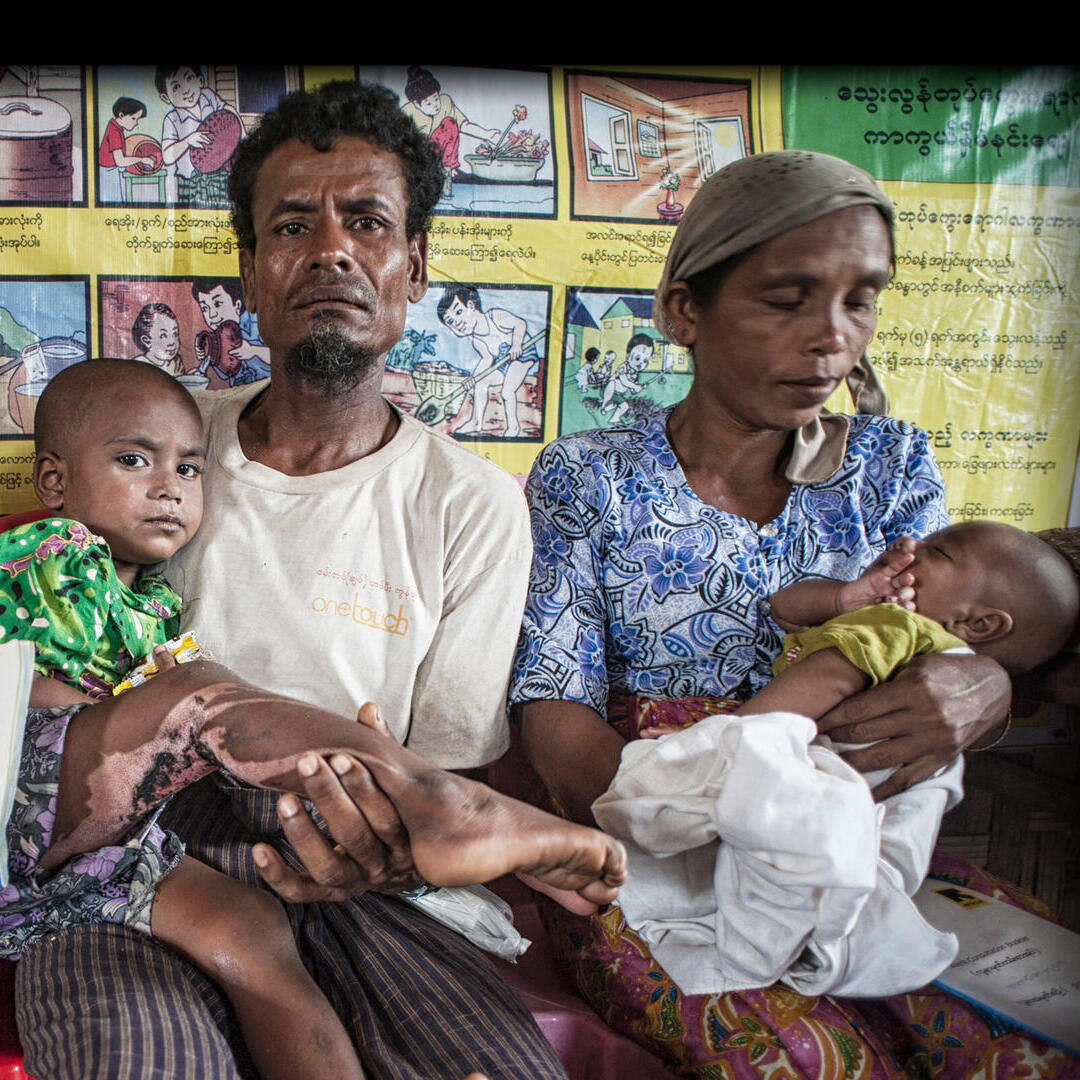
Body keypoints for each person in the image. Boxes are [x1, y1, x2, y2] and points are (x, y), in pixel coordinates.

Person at [14, 80, 575, 1080]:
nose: (330, 251)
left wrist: (378, 841)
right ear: (251, 268)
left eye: (366, 221)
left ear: (414, 264)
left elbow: (449, 763)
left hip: (363, 855)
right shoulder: (159, 449)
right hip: (135, 844)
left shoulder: (471, 505)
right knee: (140, 1062)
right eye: (291, 224)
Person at [509, 150, 1076, 1078]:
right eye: (787, 298)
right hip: (657, 856)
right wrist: (694, 826)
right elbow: (555, 711)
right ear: (686, 310)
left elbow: (949, 651)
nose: (831, 338)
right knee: (811, 1061)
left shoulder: (890, 468)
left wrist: (984, 684)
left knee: (1025, 1029)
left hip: (857, 833)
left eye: (862, 299)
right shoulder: (591, 478)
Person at [3, 358, 624, 1078]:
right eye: (135, 461)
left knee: (251, 934)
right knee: (199, 692)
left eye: (189, 469)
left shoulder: (465, 498)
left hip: (114, 862)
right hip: (29, 812)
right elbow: (139, 698)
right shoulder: (53, 560)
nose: (170, 486)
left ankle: (430, 804)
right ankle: (436, 800)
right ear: (54, 481)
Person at [594, 522, 1079, 998]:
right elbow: (784, 606)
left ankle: (771, 942)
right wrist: (850, 595)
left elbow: (823, 682)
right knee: (873, 872)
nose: (910, 544)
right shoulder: (919, 639)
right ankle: (846, 940)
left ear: (980, 623)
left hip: (849, 772)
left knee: (778, 848)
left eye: (939, 550)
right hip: (905, 796)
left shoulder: (896, 626)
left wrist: (721, 738)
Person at [437, 284, 539, 436]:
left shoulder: (495, 317)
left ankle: (513, 427)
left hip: (522, 355)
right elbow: (487, 359)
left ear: (471, 306)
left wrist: (516, 344)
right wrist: (475, 378)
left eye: (459, 312)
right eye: (450, 322)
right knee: (481, 383)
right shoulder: (477, 341)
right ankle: (476, 422)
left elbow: (520, 323)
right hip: (502, 361)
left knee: (507, 391)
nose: (456, 322)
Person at [402, 66, 500, 196]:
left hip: (441, 154)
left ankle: (449, 169)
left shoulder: (445, 102)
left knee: (450, 123)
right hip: (420, 156)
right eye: (429, 104)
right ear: (417, 104)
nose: (436, 105)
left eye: (436, 99)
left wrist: (486, 134)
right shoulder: (407, 113)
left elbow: (463, 125)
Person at [157, 64, 241, 208]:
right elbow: (167, 156)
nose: (186, 89)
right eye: (176, 87)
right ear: (166, 97)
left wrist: (239, 132)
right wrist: (188, 141)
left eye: (189, 78)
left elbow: (228, 111)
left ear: (200, 80)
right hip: (188, 181)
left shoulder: (208, 96)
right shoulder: (172, 119)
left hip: (220, 174)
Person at [191, 277, 271, 385]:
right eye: (205, 308)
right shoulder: (218, 337)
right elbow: (226, 372)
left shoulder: (258, 321)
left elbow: (283, 358)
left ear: (237, 306)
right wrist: (208, 353)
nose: (211, 315)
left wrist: (253, 351)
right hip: (241, 394)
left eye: (217, 304)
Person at [98, 97, 153, 203]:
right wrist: (141, 159)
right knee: (113, 202)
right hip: (108, 172)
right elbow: (120, 161)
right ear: (121, 115)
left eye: (137, 119)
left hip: (110, 170)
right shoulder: (114, 131)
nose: (136, 123)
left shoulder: (116, 128)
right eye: (133, 118)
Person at [599, 333, 651, 424]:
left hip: (619, 394)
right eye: (637, 358)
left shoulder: (635, 374)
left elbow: (632, 390)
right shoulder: (623, 367)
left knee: (615, 404)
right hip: (610, 390)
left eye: (645, 361)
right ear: (627, 356)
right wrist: (635, 386)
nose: (640, 363)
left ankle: (605, 410)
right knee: (624, 406)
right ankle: (614, 419)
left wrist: (638, 388)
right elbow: (624, 381)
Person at [131, 301, 186, 377]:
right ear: (147, 341)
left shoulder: (176, 363)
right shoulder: (138, 365)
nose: (172, 342)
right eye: (163, 336)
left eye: (175, 334)